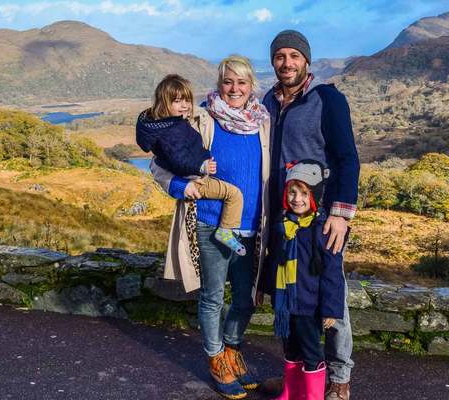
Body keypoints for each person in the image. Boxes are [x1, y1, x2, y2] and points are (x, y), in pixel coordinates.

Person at [149, 56, 271, 400]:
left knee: (247, 298)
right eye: (228, 82)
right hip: (209, 222)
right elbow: (158, 164)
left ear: (251, 86)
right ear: (219, 84)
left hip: (250, 228)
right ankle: (216, 358)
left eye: (241, 83)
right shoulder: (201, 118)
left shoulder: (263, 122)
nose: (234, 89)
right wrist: (179, 187)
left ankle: (232, 349)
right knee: (213, 296)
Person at [260, 30, 360, 400]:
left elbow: (347, 157)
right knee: (289, 294)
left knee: (329, 294)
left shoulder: (327, 99)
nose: (287, 63)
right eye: (280, 56)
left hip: (320, 220)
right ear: (273, 61)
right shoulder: (267, 102)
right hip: (283, 220)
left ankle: (339, 377)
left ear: (306, 60)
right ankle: (297, 378)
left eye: (294, 56)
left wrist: (340, 214)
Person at [261, 160, 346, 400]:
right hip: (286, 304)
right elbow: (273, 260)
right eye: (292, 192)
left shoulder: (323, 229)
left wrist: (330, 310)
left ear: (315, 195)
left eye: (304, 193)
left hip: (309, 306)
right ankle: (291, 392)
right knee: (290, 349)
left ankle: (312, 397)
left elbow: (332, 274)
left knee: (310, 353)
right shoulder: (282, 225)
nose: (297, 199)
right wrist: (262, 290)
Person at [136, 74, 247, 256]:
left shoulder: (262, 118)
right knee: (233, 194)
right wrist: (197, 171)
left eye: (187, 100)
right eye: (228, 82)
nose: (185, 105)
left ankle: (226, 230)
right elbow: (168, 161)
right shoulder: (182, 125)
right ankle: (226, 231)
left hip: (253, 223)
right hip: (200, 195)